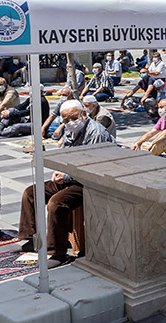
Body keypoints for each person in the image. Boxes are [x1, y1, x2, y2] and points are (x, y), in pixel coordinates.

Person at [18, 100, 113, 265]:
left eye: (72, 118)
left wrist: (66, 177)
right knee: (31, 193)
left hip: (91, 182)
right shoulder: (70, 131)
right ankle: (30, 237)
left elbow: (92, 169)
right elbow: (65, 155)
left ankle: (57, 252)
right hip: (71, 176)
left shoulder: (95, 132)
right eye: (65, 120)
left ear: (83, 114)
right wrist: (59, 170)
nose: (69, 123)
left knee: (56, 203)